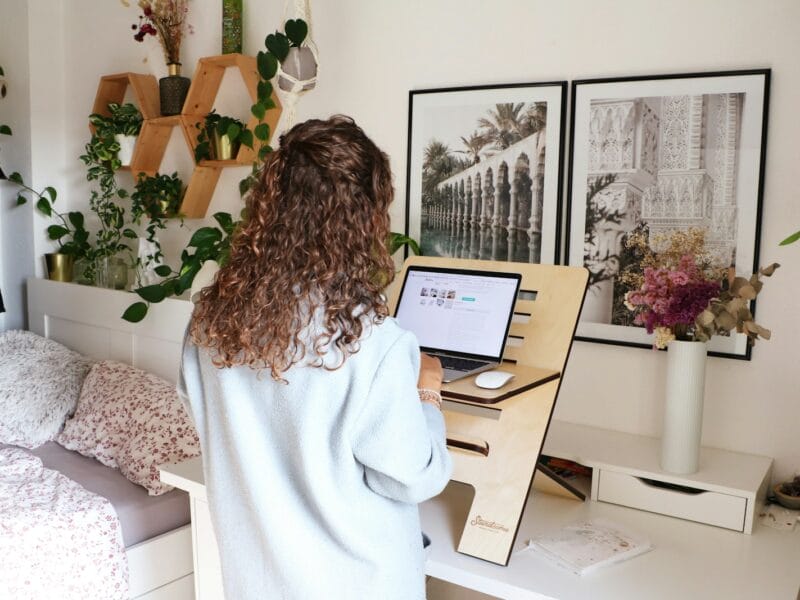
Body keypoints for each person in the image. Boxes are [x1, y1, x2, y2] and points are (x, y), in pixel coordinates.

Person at [178, 115, 452, 600]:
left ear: (271, 206)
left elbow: (214, 423)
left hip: (258, 580)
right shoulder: (373, 342)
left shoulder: (211, 321)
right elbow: (412, 478)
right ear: (364, 218)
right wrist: (428, 392)